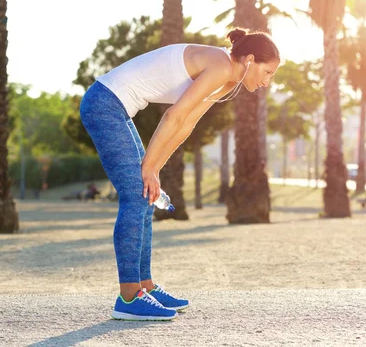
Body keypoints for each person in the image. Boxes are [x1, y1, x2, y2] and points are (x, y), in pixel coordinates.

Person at [79, 28, 280, 321]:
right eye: (268, 71)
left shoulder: (229, 77)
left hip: (117, 108)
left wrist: (155, 167)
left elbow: (186, 123)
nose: (267, 81)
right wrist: (148, 166)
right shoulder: (221, 65)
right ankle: (128, 297)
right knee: (136, 196)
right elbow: (173, 115)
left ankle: (144, 286)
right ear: (250, 59)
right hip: (104, 104)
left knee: (145, 194)